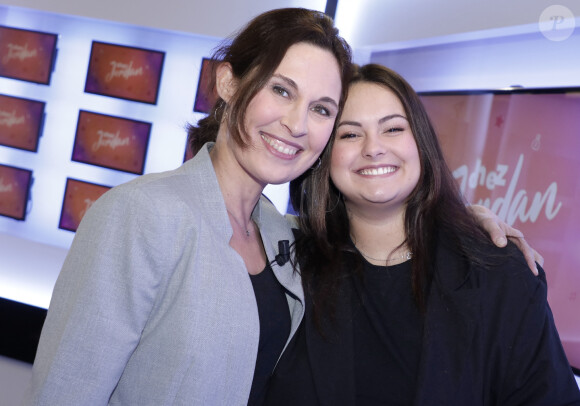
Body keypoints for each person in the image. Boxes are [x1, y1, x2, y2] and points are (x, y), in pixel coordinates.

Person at [23, 8, 539, 405]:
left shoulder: (283, 236)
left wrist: (460, 219)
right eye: (281, 90)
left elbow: (376, 219)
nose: (296, 124)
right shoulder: (140, 215)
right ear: (229, 82)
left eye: (320, 109)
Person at [264, 64, 580, 405]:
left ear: (421, 143)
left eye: (393, 129)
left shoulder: (501, 274)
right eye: (350, 134)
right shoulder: (284, 266)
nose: (373, 148)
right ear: (324, 157)